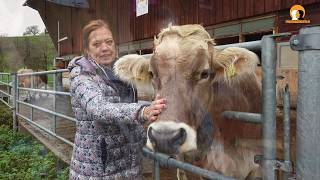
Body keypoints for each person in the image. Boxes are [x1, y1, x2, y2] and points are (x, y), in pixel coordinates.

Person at [68, 19, 166, 179]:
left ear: (115, 44)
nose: (105, 48)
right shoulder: (81, 76)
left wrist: (156, 112)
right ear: (87, 50)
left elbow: (127, 110)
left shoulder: (120, 73)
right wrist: (144, 111)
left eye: (109, 42)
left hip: (129, 163)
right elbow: (99, 109)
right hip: (98, 170)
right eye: (97, 44)